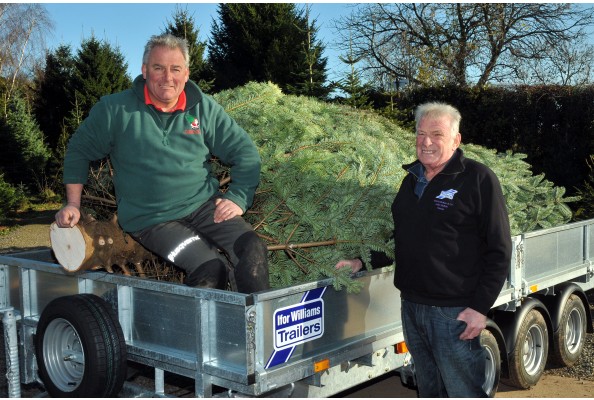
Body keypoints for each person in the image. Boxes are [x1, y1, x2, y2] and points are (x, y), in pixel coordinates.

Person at [55, 33, 269, 294]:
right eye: (159, 68)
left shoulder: (203, 109)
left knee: (252, 250)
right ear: (145, 70)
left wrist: (238, 196)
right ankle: (198, 334)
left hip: (203, 207)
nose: (168, 77)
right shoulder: (115, 110)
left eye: (175, 69)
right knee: (210, 269)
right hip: (152, 219)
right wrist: (73, 204)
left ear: (186, 73)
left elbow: (245, 152)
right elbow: (79, 150)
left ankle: (254, 329)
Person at [336, 102, 512, 397]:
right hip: (413, 308)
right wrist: (362, 262)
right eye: (420, 133)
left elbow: (499, 248)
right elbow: (404, 239)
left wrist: (480, 307)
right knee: (429, 390)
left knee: (463, 391)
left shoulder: (478, 179)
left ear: (456, 140)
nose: (426, 141)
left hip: (454, 313)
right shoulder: (411, 182)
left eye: (437, 134)